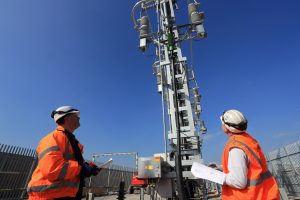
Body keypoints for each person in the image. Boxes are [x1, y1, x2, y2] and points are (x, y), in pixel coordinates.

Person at [27, 106, 100, 200]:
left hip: (68, 195)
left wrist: (90, 168)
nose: (79, 118)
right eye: (76, 116)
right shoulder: (52, 138)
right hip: (48, 196)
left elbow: (75, 164)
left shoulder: (72, 142)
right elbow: (53, 169)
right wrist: (81, 169)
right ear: (67, 118)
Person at [220, 109, 279, 200]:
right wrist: (220, 167)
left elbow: (239, 182)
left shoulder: (235, 146)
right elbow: (250, 166)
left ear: (225, 127)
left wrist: (218, 176)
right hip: (264, 194)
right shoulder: (247, 140)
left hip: (248, 196)